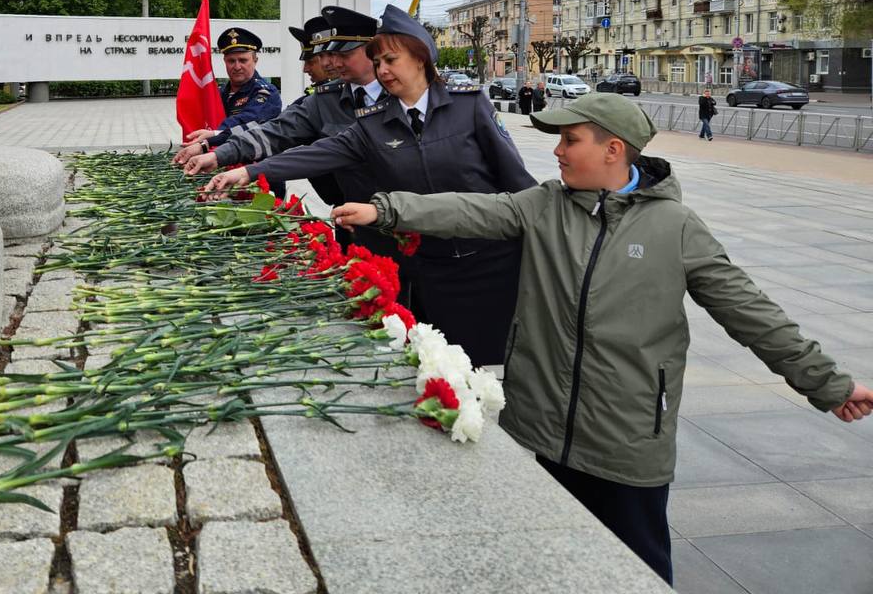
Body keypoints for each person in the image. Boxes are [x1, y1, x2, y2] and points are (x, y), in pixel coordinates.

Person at [331, 93, 873, 584]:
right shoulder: (543, 206)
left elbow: (751, 312)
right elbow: (472, 209)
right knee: (553, 560)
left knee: (638, 570)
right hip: (541, 428)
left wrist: (828, 384)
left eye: (571, 140)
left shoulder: (676, 228)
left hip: (624, 441)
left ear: (614, 149)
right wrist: (387, 209)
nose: (559, 152)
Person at [204, 5, 535, 365]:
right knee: (435, 362)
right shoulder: (374, 122)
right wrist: (248, 171)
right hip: (428, 266)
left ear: (421, 57)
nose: (384, 71)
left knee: (490, 366)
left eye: (391, 60)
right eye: (378, 62)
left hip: (486, 261)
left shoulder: (468, 106)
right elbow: (318, 153)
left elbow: (518, 183)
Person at [179, 7, 383, 245]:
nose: (332, 63)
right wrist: (217, 154)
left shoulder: (401, 96)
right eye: (325, 55)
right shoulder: (325, 99)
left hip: (407, 220)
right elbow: (274, 132)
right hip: (351, 217)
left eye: (340, 54)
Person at [180, 27, 282, 153]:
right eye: (231, 61)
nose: (237, 66)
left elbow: (247, 120)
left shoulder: (266, 93)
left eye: (243, 60)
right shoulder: (220, 93)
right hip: (216, 159)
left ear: (255, 61)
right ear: (225, 61)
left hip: (251, 164)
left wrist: (214, 134)